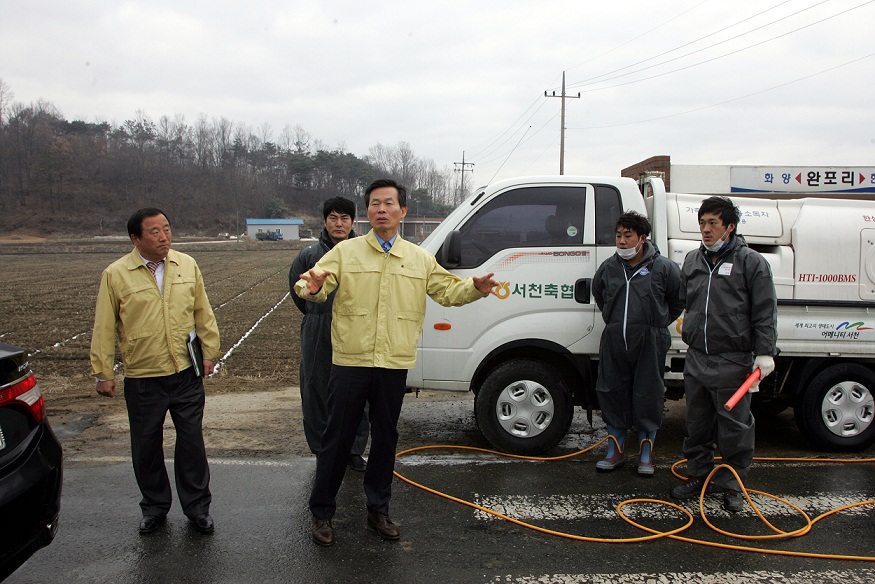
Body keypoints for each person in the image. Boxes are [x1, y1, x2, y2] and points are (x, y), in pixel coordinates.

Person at [294, 178, 499, 546]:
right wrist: (311, 287)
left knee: (386, 438)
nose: (381, 210)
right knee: (337, 439)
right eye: (374, 204)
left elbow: (448, 290)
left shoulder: (419, 258)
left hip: (392, 363)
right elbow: (314, 284)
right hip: (351, 361)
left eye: (388, 203)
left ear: (403, 211)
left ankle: (379, 510)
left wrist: (474, 288)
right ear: (368, 212)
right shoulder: (347, 252)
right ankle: (322, 513)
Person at [90, 208, 221, 534]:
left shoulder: (186, 264)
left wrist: (210, 351)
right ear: (136, 239)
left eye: (167, 228)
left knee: (192, 443)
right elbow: (104, 326)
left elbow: (202, 311)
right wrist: (103, 371)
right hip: (143, 376)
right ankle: (154, 507)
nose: (164, 236)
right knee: (146, 445)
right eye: (154, 231)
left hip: (185, 372)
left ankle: (198, 509)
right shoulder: (116, 274)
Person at [670, 196, 777, 513]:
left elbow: (764, 312)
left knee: (735, 428)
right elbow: (681, 300)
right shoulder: (692, 261)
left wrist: (764, 353)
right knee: (697, 423)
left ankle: (733, 484)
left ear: (730, 227)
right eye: (702, 223)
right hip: (697, 357)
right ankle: (697, 475)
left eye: (712, 223)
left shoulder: (751, 263)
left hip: (733, 359)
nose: (705, 229)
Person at [592, 211, 683, 476]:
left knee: (648, 392)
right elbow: (600, 293)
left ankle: (646, 451)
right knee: (612, 390)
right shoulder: (609, 267)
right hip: (614, 339)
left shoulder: (664, 268)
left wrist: (658, 321)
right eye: (618, 236)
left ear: (642, 238)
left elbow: (677, 300)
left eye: (627, 236)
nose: (621, 241)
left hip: (650, 340)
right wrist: (614, 317)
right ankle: (615, 449)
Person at [289, 197, 370, 472]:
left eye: (344, 218)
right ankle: (324, 451)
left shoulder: (363, 253)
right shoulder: (309, 255)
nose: (339, 223)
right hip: (319, 327)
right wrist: (318, 315)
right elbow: (297, 291)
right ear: (325, 221)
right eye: (333, 218)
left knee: (357, 391)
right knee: (316, 388)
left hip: (356, 328)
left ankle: (354, 450)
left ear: (353, 222)